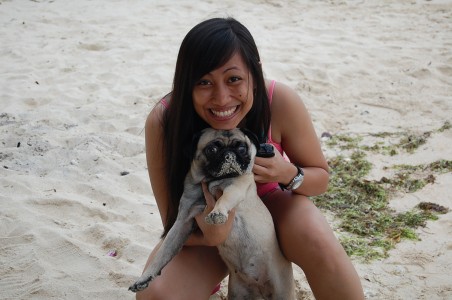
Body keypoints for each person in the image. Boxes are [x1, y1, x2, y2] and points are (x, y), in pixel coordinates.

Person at [137, 17, 364, 300]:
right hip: (209, 229)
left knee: (320, 243)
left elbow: (321, 179)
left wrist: (288, 174)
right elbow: (172, 221)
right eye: (204, 82)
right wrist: (213, 234)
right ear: (186, 83)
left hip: (275, 210)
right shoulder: (165, 120)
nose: (221, 98)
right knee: (157, 294)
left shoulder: (278, 100)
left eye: (234, 79)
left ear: (254, 75)